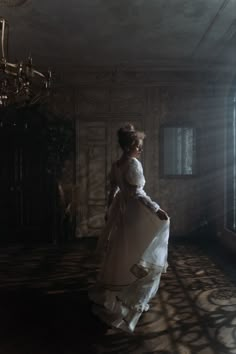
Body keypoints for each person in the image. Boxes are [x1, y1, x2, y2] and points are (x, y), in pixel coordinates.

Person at [89, 123, 170, 333]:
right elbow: (137, 194)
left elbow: (113, 190)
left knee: (124, 250)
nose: (140, 150)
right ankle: (130, 296)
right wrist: (157, 209)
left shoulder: (117, 165)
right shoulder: (133, 164)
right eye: (138, 146)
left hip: (123, 213)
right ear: (129, 147)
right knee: (139, 251)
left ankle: (123, 289)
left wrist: (110, 209)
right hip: (134, 213)